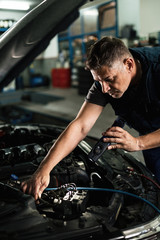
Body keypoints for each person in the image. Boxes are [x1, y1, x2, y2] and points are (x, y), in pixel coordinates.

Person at [21, 36, 160, 199]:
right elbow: (80, 126)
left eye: (109, 80)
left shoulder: (157, 69)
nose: (105, 89)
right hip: (150, 138)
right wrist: (44, 169)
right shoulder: (103, 83)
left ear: (128, 64)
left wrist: (138, 142)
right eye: (98, 81)